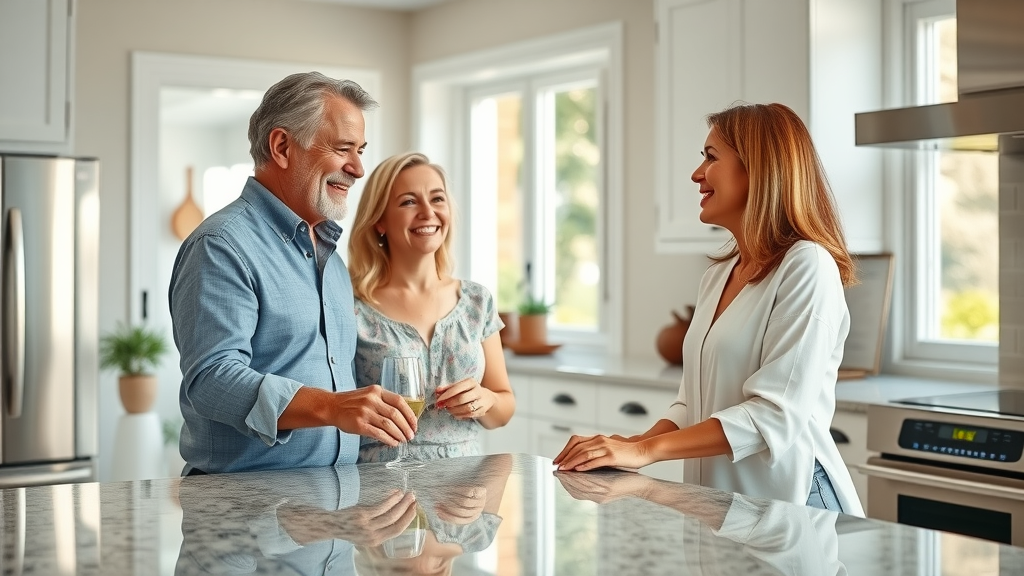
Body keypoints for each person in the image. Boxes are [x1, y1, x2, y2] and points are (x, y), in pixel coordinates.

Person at [554, 102, 864, 516]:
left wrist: (647, 451)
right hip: (723, 504)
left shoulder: (807, 265)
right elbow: (692, 403)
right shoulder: (718, 276)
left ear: (758, 168)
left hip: (794, 500)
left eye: (711, 157)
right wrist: (628, 446)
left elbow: (774, 413)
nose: (697, 173)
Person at [168, 72, 417, 475]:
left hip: (334, 508)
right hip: (245, 511)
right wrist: (332, 407)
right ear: (282, 146)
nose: (357, 168)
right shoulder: (221, 245)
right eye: (343, 149)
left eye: (361, 151)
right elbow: (212, 380)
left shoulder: (332, 260)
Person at [347, 152, 515, 462]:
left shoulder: (477, 302)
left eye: (437, 199)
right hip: (382, 490)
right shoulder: (351, 306)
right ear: (380, 221)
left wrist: (485, 400)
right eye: (409, 202)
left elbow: (503, 408)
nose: (427, 212)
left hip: (465, 493)